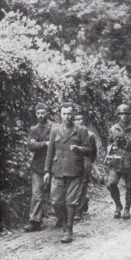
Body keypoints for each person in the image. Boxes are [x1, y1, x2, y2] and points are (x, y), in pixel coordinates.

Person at [44, 102, 92, 243]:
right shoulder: (54, 130)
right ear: (60, 114)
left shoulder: (81, 130)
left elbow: (89, 150)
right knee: (56, 201)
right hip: (58, 170)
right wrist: (47, 171)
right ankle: (64, 222)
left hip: (75, 171)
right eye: (64, 113)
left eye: (69, 113)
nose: (67, 116)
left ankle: (69, 230)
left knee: (71, 202)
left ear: (73, 114)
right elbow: (50, 151)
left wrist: (78, 148)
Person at [24, 103, 52, 232]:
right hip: (38, 165)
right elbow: (30, 146)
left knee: (57, 193)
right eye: (38, 113)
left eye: (43, 113)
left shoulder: (55, 127)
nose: (40, 116)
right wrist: (46, 143)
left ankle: (62, 217)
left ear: (47, 113)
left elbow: (56, 144)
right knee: (36, 194)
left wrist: (38, 143)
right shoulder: (34, 129)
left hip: (53, 164)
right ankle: (35, 221)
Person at [106, 104, 131, 219]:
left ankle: (127, 209)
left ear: (129, 115)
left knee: (129, 187)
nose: (124, 116)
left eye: (126, 114)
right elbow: (108, 143)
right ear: (118, 115)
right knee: (111, 184)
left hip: (129, 161)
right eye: (121, 114)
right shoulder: (114, 129)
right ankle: (118, 205)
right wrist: (111, 147)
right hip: (116, 161)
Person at [73, 114, 97, 220]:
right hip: (73, 161)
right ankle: (83, 202)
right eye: (76, 120)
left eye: (80, 119)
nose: (78, 121)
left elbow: (93, 151)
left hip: (85, 160)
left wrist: (89, 162)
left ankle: (78, 210)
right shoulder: (72, 133)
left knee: (82, 185)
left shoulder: (90, 135)